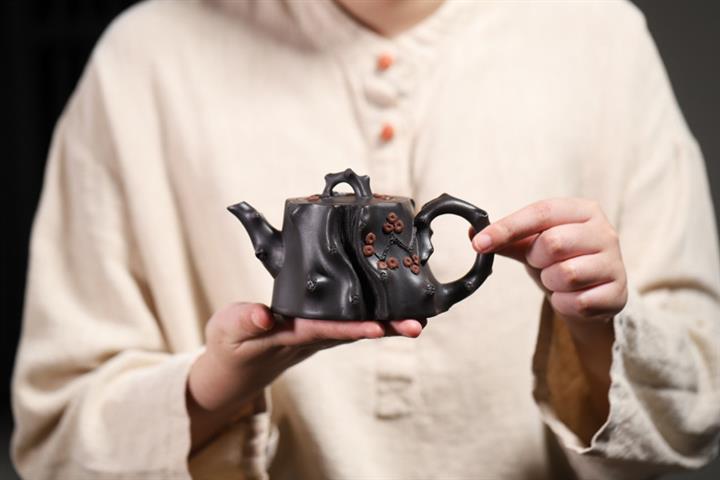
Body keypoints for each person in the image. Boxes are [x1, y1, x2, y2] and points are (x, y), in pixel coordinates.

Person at [11, 0, 720, 478]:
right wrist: (213, 389)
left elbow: (697, 406)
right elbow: (56, 440)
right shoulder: (146, 57)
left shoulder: (600, 35)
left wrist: (594, 324)